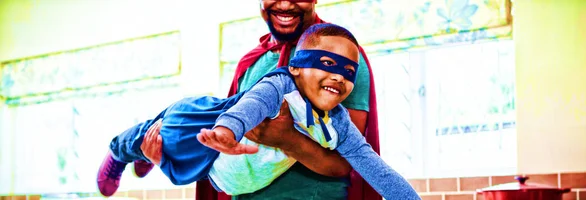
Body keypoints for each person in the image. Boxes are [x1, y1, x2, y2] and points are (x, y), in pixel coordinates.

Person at [97, 23, 419, 200]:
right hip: (206, 130)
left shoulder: (339, 123)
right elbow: (250, 107)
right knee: (155, 134)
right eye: (327, 65)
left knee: (170, 157)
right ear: (295, 68)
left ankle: (148, 157)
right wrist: (226, 132)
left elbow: (377, 170)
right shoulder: (280, 86)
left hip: (228, 172)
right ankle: (119, 153)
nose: (339, 76)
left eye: (348, 70)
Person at [140, 1, 382, 200]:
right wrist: (169, 161)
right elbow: (224, 153)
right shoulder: (251, 63)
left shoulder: (341, 60)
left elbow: (344, 163)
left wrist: (288, 140)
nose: (285, 4)